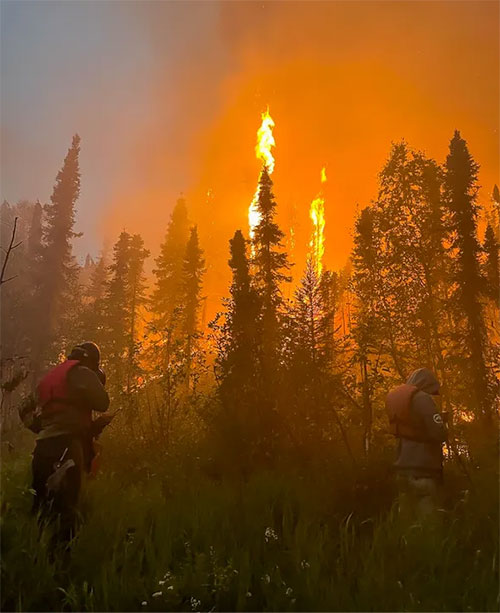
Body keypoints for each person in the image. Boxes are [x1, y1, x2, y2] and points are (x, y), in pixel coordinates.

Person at [24, 342, 110, 540]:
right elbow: (103, 403)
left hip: (42, 447)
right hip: (68, 446)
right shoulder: (84, 372)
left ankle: (35, 555)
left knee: (40, 507)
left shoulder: (50, 377)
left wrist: (39, 428)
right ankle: (63, 563)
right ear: (91, 361)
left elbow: (24, 408)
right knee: (68, 509)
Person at [386, 367, 447, 518]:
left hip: (402, 471)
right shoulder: (423, 398)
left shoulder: (397, 399)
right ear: (426, 384)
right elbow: (439, 433)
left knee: (407, 521)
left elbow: (412, 425)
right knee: (428, 523)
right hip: (423, 471)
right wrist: (442, 423)